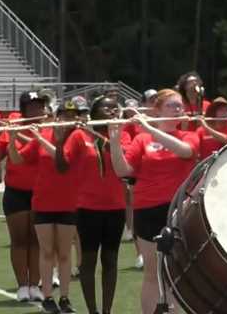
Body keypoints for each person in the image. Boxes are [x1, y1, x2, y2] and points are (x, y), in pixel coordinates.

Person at [109, 88, 199, 314]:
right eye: (171, 106)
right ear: (158, 110)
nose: (178, 109)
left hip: (177, 209)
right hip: (147, 209)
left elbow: (185, 151)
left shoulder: (189, 135)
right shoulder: (141, 139)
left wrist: (149, 127)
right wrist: (114, 142)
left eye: (180, 105)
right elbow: (123, 171)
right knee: (152, 272)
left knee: (177, 271)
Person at [56, 96, 131, 314]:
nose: (112, 111)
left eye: (115, 108)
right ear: (95, 112)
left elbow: (126, 163)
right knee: (88, 260)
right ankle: (92, 311)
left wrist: (115, 137)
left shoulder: (122, 135)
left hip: (116, 207)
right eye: (107, 108)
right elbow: (62, 167)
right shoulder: (80, 135)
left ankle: (107, 310)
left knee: (111, 259)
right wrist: (60, 141)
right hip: (87, 208)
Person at [8, 99, 80, 313]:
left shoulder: (77, 137)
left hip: (68, 201)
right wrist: (12, 139)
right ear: (57, 117)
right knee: (46, 252)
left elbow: (63, 160)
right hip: (44, 201)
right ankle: (47, 296)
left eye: (73, 116)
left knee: (65, 253)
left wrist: (38, 136)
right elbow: (18, 159)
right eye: (65, 116)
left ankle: (65, 297)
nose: (69, 120)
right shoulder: (46, 134)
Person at [0, 90, 47, 302]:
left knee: (37, 240)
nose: (37, 110)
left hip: (41, 192)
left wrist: (21, 132)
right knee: (19, 240)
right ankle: (22, 286)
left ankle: (35, 285)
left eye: (40, 106)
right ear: (24, 109)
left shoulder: (47, 128)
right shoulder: (11, 127)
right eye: (32, 107)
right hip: (16, 192)